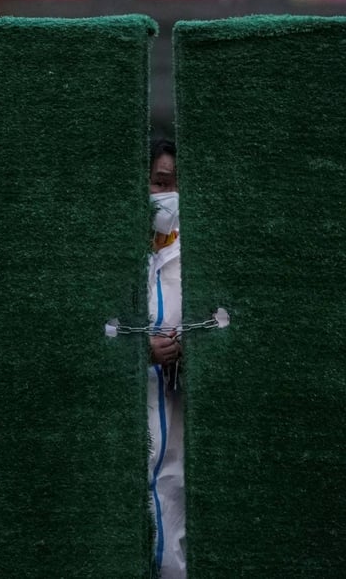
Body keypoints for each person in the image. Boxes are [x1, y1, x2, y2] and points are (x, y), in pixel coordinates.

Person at [147, 138, 186, 577]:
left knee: (172, 500)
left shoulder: (192, 255)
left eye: (174, 185)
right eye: (159, 183)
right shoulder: (110, 254)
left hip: (176, 419)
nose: (165, 196)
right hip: (127, 417)